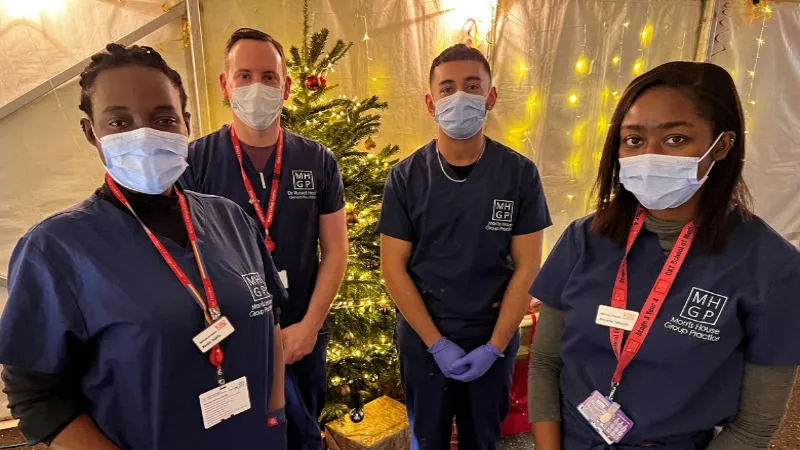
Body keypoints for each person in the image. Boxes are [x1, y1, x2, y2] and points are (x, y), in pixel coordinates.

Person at [0, 44, 288, 449]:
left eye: (163, 119)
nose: (144, 134)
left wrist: (274, 413)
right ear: (91, 132)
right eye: (119, 122)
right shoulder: (57, 249)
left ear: (186, 124)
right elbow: (37, 395)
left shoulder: (230, 219)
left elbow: (270, 317)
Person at [528, 61, 800, 450]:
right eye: (634, 140)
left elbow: (755, 426)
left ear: (722, 144)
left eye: (675, 139)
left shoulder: (770, 266)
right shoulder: (584, 239)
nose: (650, 155)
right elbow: (544, 364)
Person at [180, 28, 348, 449]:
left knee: (304, 431)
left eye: (269, 77)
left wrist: (309, 326)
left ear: (287, 86)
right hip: (234, 337)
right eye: (245, 76)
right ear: (226, 84)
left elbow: (336, 249)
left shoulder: (318, 160)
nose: (258, 87)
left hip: (304, 331)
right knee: (243, 435)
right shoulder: (196, 162)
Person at [380, 44, 551, 449]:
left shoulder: (520, 175)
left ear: (491, 97)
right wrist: (435, 343)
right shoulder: (405, 178)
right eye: (448, 88)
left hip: (491, 335)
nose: (460, 96)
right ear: (430, 102)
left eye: (472, 86)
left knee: (483, 439)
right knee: (428, 437)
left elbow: (528, 267)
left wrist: (494, 347)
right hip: (424, 340)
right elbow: (393, 268)